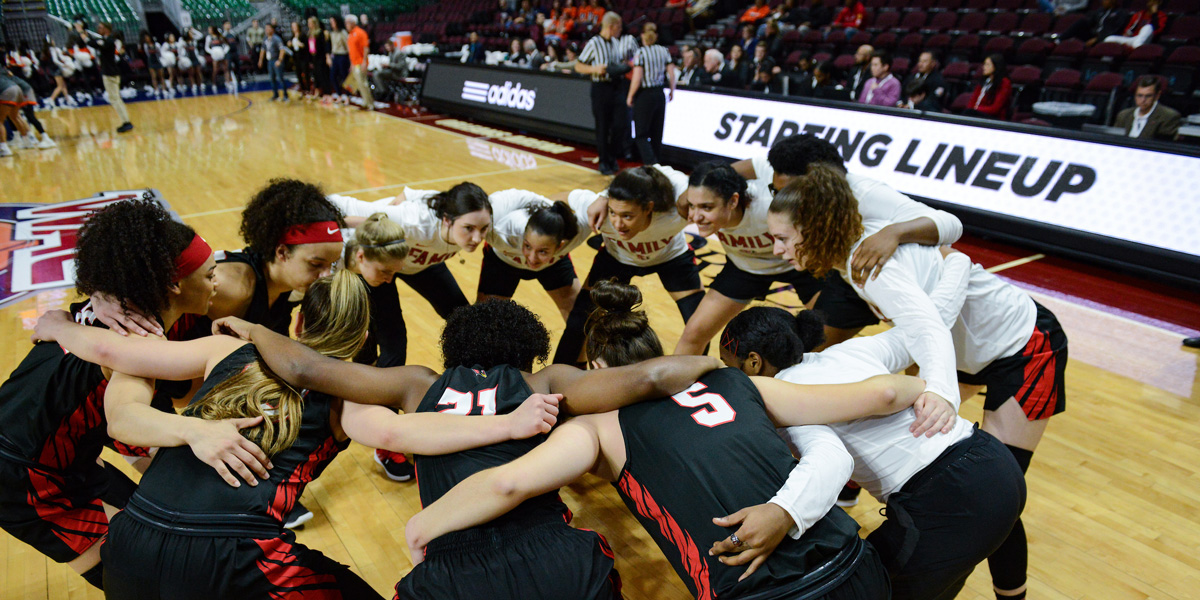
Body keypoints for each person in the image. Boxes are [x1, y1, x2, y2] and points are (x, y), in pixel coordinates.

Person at [34, 270, 560, 599]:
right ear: (365, 338)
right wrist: (509, 423)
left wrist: (58, 325)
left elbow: (111, 353)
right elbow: (402, 433)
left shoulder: (223, 350)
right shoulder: (349, 395)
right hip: (234, 554)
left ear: (301, 319)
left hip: (130, 541)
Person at [407, 281, 939, 600]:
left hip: (759, 591)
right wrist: (931, 389)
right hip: (852, 560)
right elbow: (887, 392)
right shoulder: (737, 381)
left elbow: (505, 484)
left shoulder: (595, 428)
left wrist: (424, 523)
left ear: (595, 372)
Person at [230, 294, 727, 600]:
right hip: (552, 555)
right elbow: (654, 376)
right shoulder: (543, 382)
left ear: (455, 347)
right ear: (526, 348)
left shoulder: (415, 384)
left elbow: (304, 369)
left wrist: (253, 329)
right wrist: (725, 375)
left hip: (452, 569)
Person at [768, 163, 1069, 600]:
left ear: (813, 227)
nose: (777, 250)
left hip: (1020, 344)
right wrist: (959, 265)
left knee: (996, 495)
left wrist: (941, 391)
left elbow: (928, 327)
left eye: (783, 238)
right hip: (961, 352)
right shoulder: (854, 251)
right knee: (936, 450)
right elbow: (932, 320)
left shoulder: (867, 262)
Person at [720, 297, 1025, 599]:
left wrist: (782, 510)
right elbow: (926, 327)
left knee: (868, 588)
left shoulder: (787, 401)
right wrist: (938, 387)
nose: (727, 374)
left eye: (728, 364)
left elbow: (832, 460)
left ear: (753, 361)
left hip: (949, 497)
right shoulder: (851, 350)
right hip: (994, 459)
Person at [0, 199, 221, 588]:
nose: (217, 283)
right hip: (22, 473)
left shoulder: (117, 302)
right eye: (210, 274)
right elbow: (135, 431)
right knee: (134, 575)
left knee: (159, 531)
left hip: (66, 452)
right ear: (174, 284)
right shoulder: (134, 341)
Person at [729, 134, 963, 347]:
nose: (783, 199)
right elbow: (734, 170)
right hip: (845, 272)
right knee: (811, 351)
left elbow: (952, 223)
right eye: (775, 191)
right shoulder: (784, 172)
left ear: (818, 182)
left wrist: (893, 233)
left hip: (880, 270)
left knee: (923, 349)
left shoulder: (865, 192)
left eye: (788, 192)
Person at [554, 165, 704, 365]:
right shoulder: (598, 211)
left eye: (627, 216)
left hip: (671, 258)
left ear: (649, 208)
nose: (617, 224)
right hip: (617, 258)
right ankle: (565, 382)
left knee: (699, 324)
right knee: (579, 322)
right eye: (614, 213)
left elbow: (658, 171)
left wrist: (605, 194)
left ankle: (685, 384)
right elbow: (561, 197)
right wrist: (602, 196)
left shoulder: (676, 212)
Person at [327, 182, 492, 321]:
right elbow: (343, 205)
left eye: (483, 229)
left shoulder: (478, 215)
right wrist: (320, 225)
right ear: (447, 220)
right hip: (385, 266)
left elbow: (410, 193)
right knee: (389, 338)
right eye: (468, 228)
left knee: (463, 317)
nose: (477, 239)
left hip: (422, 265)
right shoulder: (411, 220)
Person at [477, 190, 591, 322]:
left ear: (560, 245)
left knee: (582, 319)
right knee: (485, 321)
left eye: (542, 251)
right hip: (503, 262)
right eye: (527, 246)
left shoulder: (577, 231)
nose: (531, 258)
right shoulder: (501, 231)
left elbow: (595, 200)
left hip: (553, 265)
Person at [576, 11, 637, 175]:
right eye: (618, 27)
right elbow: (578, 66)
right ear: (611, 27)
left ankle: (611, 156)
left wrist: (624, 66)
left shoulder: (616, 43)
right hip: (600, 88)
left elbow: (618, 64)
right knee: (602, 126)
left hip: (617, 86)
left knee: (621, 124)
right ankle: (604, 161)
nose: (620, 30)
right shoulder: (594, 43)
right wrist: (595, 68)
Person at [627, 22, 675, 165]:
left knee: (641, 134)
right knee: (656, 133)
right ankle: (657, 164)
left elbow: (637, 77)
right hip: (659, 93)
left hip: (645, 95)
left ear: (643, 36)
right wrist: (672, 91)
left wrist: (630, 95)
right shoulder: (664, 51)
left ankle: (652, 165)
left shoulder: (640, 53)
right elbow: (672, 74)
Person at [78, 21, 132, 133]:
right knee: (116, 99)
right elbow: (95, 42)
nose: (98, 29)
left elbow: (93, 44)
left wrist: (82, 33)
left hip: (110, 74)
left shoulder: (108, 41)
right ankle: (126, 121)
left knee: (115, 99)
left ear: (107, 29)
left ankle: (126, 122)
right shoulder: (107, 40)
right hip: (112, 73)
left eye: (101, 27)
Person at [1114, 76, 1181, 141]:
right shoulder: (1124, 115)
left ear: (1157, 96)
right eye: (1139, 95)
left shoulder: (1168, 117)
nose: (1143, 100)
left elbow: (1163, 146)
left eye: (1148, 96)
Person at [964, 53, 1011, 119]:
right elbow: (972, 101)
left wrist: (976, 109)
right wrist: (973, 109)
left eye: (987, 65)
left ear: (996, 66)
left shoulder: (1004, 83)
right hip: (977, 113)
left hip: (993, 117)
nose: (984, 67)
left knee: (969, 113)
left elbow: (995, 108)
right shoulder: (984, 81)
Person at [345, 15, 374, 109]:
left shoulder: (361, 33)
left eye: (348, 22)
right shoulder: (350, 34)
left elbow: (366, 48)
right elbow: (351, 51)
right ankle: (365, 102)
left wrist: (365, 62)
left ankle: (370, 104)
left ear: (353, 23)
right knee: (359, 84)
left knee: (363, 83)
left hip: (360, 62)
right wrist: (351, 64)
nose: (346, 25)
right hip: (354, 63)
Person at [258, 23, 290, 102]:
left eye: (268, 28)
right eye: (265, 28)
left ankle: (285, 95)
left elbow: (282, 50)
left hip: (276, 60)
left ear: (272, 29)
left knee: (280, 78)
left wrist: (279, 60)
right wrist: (260, 60)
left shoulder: (276, 39)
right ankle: (275, 95)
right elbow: (263, 50)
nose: (266, 30)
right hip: (270, 61)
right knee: (272, 79)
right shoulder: (265, 39)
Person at [307, 16, 332, 100]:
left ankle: (326, 93)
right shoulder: (309, 34)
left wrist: (326, 56)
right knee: (316, 75)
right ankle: (317, 91)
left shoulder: (320, 33)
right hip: (313, 57)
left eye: (310, 23)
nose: (309, 25)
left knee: (323, 75)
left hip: (320, 57)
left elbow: (324, 46)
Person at [328, 16, 351, 104]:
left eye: (333, 21)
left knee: (345, 77)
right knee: (333, 76)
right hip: (335, 56)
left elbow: (348, 45)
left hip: (343, 56)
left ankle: (348, 96)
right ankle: (339, 95)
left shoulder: (343, 32)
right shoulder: (332, 33)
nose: (331, 24)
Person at [204, 25, 231, 93]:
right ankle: (214, 84)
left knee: (225, 68)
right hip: (215, 55)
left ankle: (227, 82)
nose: (209, 31)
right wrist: (212, 52)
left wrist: (224, 51)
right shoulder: (209, 37)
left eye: (210, 29)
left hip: (222, 54)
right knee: (215, 70)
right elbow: (206, 48)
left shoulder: (220, 36)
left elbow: (227, 45)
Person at [288, 21, 311, 97]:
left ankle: (308, 89)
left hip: (303, 57)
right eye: (292, 27)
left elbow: (306, 46)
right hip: (296, 58)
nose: (294, 28)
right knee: (298, 74)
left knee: (306, 73)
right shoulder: (292, 36)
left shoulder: (303, 35)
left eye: (295, 26)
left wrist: (301, 45)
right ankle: (303, 89)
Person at [138, 31, 165, 97]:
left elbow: (160, 53)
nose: (147, 39)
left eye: (147, 37)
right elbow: (147, 53)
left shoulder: (157, 44)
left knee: (161, 76)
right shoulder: (145, 45)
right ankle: (156, 90)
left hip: (157, 60)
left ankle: (164, 89)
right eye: (145, 38)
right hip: (151, 61)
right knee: (153, 77)